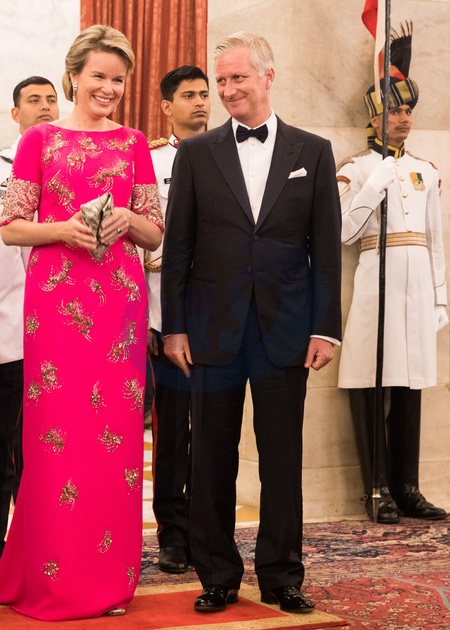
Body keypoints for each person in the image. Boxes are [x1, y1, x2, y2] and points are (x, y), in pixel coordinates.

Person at [161, 31, 341, 614]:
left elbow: (326, 249)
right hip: (210, 328)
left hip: (286, 330)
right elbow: (179, 246)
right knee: (210, 455)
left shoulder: (313, 151)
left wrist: (325, 327)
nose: (227, 89)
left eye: (238, 77)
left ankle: (282, 576)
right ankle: (217, 574)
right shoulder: (195, 153)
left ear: (268, 76)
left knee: (282, 458)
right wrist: (174, 327)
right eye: (221, 81)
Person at [0, 25, 163, 620]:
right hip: (56, 304)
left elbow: (154, 232)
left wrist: (126, 220)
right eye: (99, 76)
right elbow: (11, 226)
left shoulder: (134, 143)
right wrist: (63, 230)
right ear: (74, 75)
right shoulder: (38, 139)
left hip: (119, 305)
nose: (109, 88)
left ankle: (107, 580)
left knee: (113, 443)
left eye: (118, 79)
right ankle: (51, 576)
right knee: (55, 439)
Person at [337, 24, 447, 524]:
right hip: (374, 282)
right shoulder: (357, 168)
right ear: (374, 116)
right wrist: (374, 180)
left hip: (417, 283)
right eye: (395, 111)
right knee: (370, 381)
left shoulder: (427, 170)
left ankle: (408, 487)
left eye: (407, 111)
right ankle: (376, 488)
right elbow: (344, 231)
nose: (404, 119)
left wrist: (440, 296)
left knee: (410, 385)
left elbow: (435, 239)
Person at [145, 65, 210, 574]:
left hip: (222, 311)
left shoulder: (229, 154)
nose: (201, 102)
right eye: (189, 95)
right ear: (167, 106)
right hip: (166, 311)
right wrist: (153, 318)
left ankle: (209, 529)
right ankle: (172, 530)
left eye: (204, 94)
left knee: (214, 429)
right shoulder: (149, 161)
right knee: (172, 429)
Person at [0, 76, 59, 557]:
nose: (44, 108)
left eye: (51, 100)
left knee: (44, 450)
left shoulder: (68, 169)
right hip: (11, 331)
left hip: (55, 328)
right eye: (33, 101)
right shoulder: (5, 170)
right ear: (15, 113)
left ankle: (38, 548)